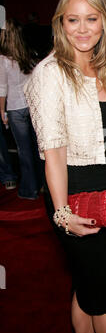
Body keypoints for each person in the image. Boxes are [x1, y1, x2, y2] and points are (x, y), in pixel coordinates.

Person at [24, 0, 106, 333]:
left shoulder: (105, 66)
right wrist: (62, 213)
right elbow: (52, 153)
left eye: (91, 18)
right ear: (60, 23)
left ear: (104, 23)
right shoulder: (49, 74)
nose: (82, 29)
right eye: (73, 19)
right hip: (74, 195)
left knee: (88, 286)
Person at [0, 19, 43, 200]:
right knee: (39, 149)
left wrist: (2, 112)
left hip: (16, 109)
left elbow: (2, 89)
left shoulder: (3, 60)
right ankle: (43, 185)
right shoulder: (27, 54)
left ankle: (29, 190)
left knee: (24, 152)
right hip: (32, 105)